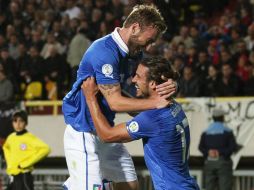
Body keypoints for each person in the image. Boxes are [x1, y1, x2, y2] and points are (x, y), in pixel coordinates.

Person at [62, 4, 177, 190]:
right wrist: (155, 102)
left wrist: (172, 83)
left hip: (105, 126)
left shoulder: (133, 53)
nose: (149, 46)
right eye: (149, 40)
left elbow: (151, 78)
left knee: (129, 186)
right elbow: (115, 102)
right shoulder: (104, 51)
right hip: (83, 130)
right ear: (134, 28)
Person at [81, 56, 199, 190]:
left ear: (153, 83)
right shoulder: (173, 106)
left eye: (138, 76)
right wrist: (109, 91)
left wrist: (90, 98)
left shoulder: (153, 118)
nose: (133, 80)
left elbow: (107, 135)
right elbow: (139, 111)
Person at [3, 110, 50, 190]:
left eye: (21, 121)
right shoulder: (11, 137)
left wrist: (26, 163)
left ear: (26, 123)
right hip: (13, 176)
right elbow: (5, 147)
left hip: (24, 176)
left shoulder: (29, 137)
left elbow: (46, 149)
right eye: (15, 121)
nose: (17, 124)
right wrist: (10, 164)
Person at [198, 108, 238, 190]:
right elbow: (232, 147)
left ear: (213, 117)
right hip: (223, 162)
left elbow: (201, 147)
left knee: (209, 187)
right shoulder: (227, 131)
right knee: (225, 186)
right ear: (223, 117)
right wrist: (219, 152)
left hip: (209, 162)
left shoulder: (206, 132)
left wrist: (209, 152)